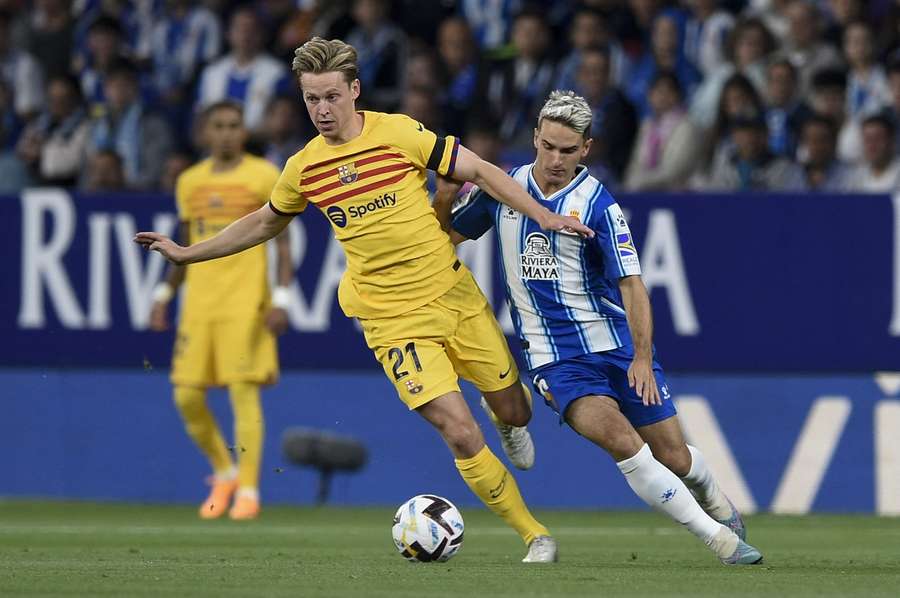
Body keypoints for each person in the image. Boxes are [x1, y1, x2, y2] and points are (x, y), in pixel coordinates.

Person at [137, 37, 591, 561]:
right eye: (311, 100)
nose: (322, 110)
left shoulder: (398, 133)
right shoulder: (304, 166)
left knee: (516, 411)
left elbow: (483, 172)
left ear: (354, 90)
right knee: (456, 428)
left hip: (451, 295)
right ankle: (535, 534)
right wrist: (189, 253)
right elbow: (265, 221)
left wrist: (545, 215)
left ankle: (504, 415)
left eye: (331, 96)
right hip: (389, 319)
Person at [437, 90, 765, 566]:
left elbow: (632, 286)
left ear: (586, 149)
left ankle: (715, 497)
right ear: (534, 138)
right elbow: (442, 241)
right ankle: (719, 540)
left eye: (567, 150)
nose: (554, 159)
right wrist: (444, 199)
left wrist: (642, 357)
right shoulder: (502, 191)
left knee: (674, 456)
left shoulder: (598, 205)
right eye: (547, 146)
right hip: (556, 360)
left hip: (613, 346)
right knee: (623, 443)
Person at [147, 100, 293, 521]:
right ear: (205, 133)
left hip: (247, 303)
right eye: (219, 126)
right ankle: (224, 471)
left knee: (242, 392)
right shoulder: (189, 181)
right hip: (199, 305)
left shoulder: (264, 175)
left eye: (234, 125)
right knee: (187, 395)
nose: (227, 133)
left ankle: (249, 490)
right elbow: (186, 244)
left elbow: (282, 243)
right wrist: (162, 295)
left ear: (243, 132)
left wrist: (281, 300)